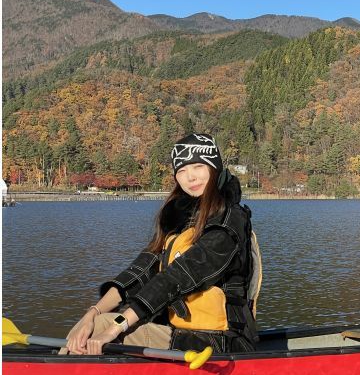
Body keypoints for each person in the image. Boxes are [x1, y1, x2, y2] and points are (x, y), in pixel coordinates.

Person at [63, 133, 259, 355]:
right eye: (182, 171)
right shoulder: (180, 221)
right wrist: (92, 313)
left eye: (198, 167)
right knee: (94, 325)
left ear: (214, 168)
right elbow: (140, 271)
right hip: (182, 332)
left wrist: (115, 327)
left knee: (103, 328)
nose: (190, 177)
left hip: (222, 341)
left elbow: (176, 277)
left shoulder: (230, 220)